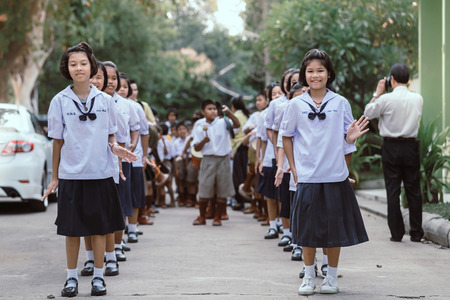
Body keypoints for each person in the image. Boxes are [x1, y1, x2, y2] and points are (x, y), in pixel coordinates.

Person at [43, 42, 138, 297]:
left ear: (92, 66)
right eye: (73, 64)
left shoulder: (106, 101)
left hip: (100, 173)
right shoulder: (59, 101)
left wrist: (116, 149)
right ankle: (71, 278)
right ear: (67, 69)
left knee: (99, 228)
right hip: (72, 175)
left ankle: (98, 277)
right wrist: (54, 177)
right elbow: (57, 142)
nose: (79, 68)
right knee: (72, 230)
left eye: (83, 63)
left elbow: (112, 137)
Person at [281, 48, 369, 295]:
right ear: (304, 75)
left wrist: (348, 141)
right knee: (307, 231)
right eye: (310, 71)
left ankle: (331, 276)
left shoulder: (340, 103)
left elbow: (348, 139)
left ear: (329, 74)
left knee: (334, 230)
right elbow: (286, 137)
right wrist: (294, 170)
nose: (315, 75)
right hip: (308, 176)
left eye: (320, 70)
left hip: (334, 176)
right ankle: (309, 276)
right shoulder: (296, 104)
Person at [364, 63, 424, 243]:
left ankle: (397, 233)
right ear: (408, 80)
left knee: (392, 190)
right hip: (410, 146)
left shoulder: (385, 100)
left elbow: (368, 112)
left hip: (390, 147)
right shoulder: (418, 98)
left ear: (391, 79)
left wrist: (378, 92)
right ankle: (416, 232)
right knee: (413, 190)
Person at [192, 99, 240, 226]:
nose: (213, 111)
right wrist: (204, 141)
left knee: (222, 189)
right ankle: (202, 216)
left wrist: (229, 113)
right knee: (204, 187)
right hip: (208, 159)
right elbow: (196, 147)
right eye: (209, 109)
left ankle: (217, 217)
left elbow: (237, 125)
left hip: (223, 158)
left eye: (214, 109)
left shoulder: (222, 122)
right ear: (203, 112)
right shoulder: (200, 126)